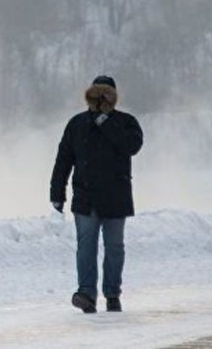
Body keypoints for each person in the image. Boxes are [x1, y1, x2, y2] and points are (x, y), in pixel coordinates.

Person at [50, 75, 143, 314]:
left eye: (106, 95)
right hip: (86, 197)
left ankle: (112, 294)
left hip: (115, 198)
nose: (101, 99)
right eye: (97, 94)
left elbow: (131, 147)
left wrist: (105, 121)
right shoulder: (77, 123)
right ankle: (87, 294)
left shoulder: (126, 122)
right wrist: (57, 193)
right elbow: (63, 159)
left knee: (114, 248)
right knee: (86, 247)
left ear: (114, 97)